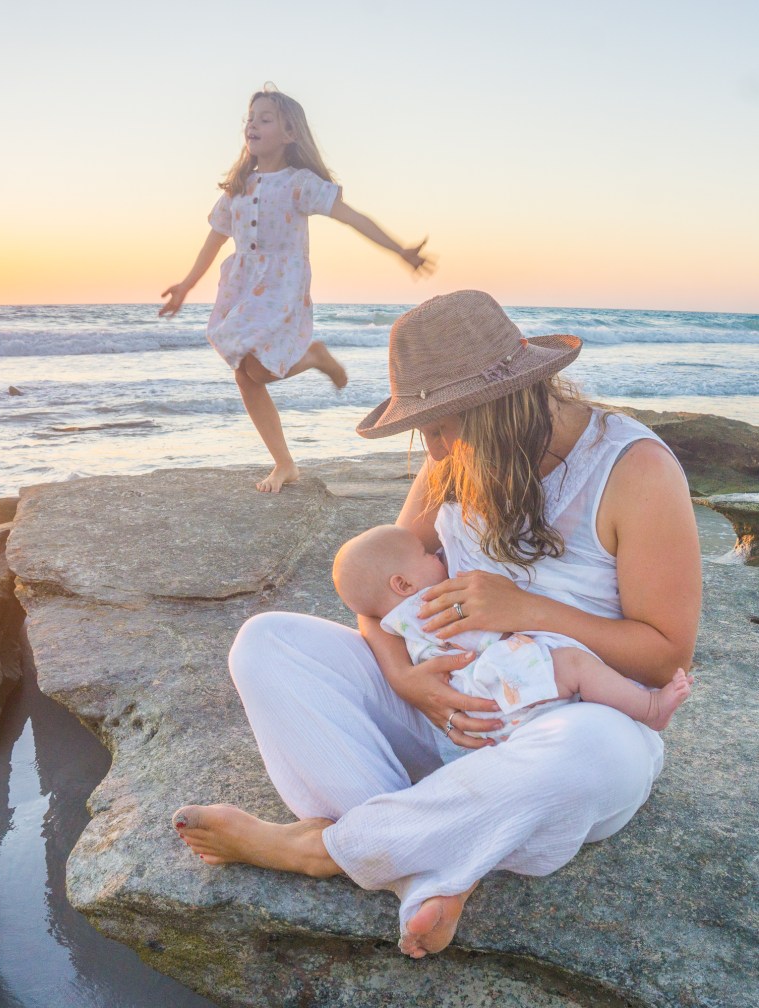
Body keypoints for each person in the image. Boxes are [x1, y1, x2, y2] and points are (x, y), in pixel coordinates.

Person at [172, 290, 701, 960]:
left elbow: (662, 657)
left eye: (440, 422)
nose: (431, 444)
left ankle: (319, 849)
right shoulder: (452, 455)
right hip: (440, 715)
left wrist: (526, 609)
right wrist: (406, 678)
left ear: (505, 401)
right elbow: (375, 591)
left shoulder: (635, 470)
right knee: (267, 643)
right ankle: (432, 865)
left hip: (565, 721)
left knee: (595, 755)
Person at [159, 84, 433, 493]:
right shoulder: (238, 186)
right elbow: (214, 240)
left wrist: (400, 250)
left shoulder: (299, 184)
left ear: (290, 134)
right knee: (246, 374)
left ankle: (314, 357)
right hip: (243, 285)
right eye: (249, 119)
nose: (252, 125)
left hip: (280, 286)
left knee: (259, 371)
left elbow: (351, 217)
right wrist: (184, 286)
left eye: (264, 119)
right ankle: (285, 463)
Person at [332, 523, 692, 757]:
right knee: (575, 665)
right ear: (403, 585)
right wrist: (400, 677)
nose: (437, 554)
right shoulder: (430, 604)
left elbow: (370, 601)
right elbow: (482, 630)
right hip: (500, 690)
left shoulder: (398, 618)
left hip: (480, 713)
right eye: (428, 555)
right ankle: (649, 709)